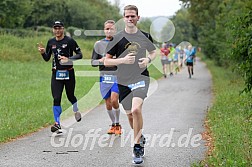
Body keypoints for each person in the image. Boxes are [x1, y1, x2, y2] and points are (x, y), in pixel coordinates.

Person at [104, 5, 156, 164]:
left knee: (136, 109)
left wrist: (148, 59)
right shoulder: (117, 38)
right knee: (130, 115)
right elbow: (106, 60)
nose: (130, 19)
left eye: (133, 16)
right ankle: (139, 136)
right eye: (127, 16)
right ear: (123, 18)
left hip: (141, 78)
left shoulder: (145, 36)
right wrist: (122, 60)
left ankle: (136, 146)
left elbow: (154, 51)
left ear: (138, 18)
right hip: (123, 81)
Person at [37, 21, 82, 133]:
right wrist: (43, 53)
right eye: (55, 28)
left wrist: (69, 59)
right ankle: (57, 123)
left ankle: (76, 109)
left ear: (63, 29)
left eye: (59, 28)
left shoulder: (69, 41)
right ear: (53, 30)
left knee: (70, 96)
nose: (57, 30)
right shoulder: (50, 42)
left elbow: (80, 55)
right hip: (56, 74)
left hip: (68, 73)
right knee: (56, 98)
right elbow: (47, 58)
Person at [91, 20, 121, 135]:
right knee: (108, 103)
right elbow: (93, 62)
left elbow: (123, 60)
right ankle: (113, 124)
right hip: (104, 76)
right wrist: (101, 60)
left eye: (111, 29)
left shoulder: (119, 43)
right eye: (107, 29)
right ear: (104, 30)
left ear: (115, 30)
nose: (109, 31)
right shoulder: (98, 44)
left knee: (114, 100)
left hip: (117, 75)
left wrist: (111, 61)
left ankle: (118, 124)